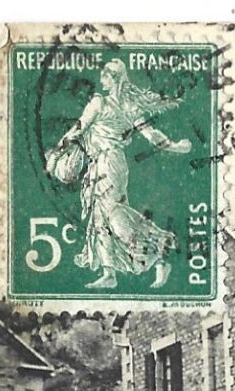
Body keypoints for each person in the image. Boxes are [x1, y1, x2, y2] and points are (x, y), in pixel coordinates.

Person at [51, 58, 188, 290]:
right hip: (104, 163)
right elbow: (151, 134)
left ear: (112, 78)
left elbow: (78, 128)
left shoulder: (98, 101)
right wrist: (173, 146)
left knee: (113, 214)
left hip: (107, 162)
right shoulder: (131, 108)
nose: (101, 80)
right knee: (98, 217)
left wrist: (56, 153)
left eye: (105, 75)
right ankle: (109, 273)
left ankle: (159, 248)